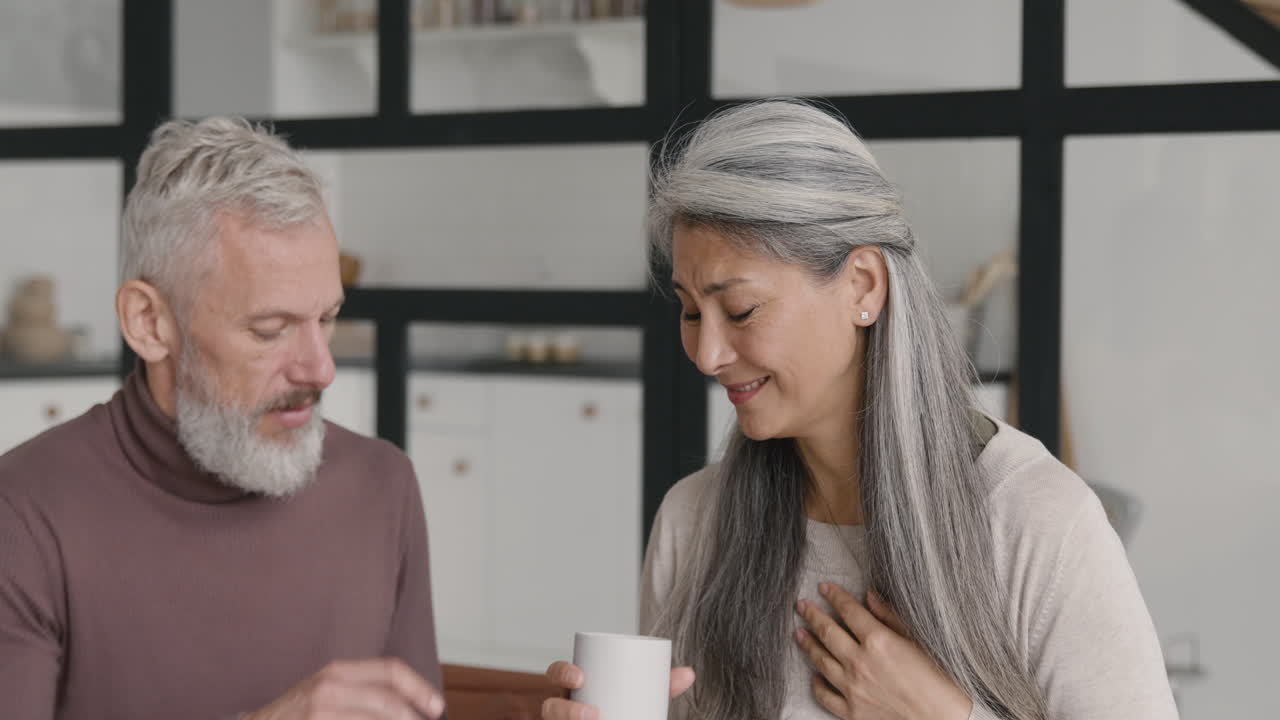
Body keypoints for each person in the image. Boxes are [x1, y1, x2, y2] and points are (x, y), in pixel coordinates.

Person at [543, 99, 1178, 720]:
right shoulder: (694, 522)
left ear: (863, 286)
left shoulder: (1035, 523)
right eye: (688, 310)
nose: (706, 353)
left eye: (739, 310)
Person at [0, 118, 446, 720]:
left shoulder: (382, 487)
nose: (320, 369)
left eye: (327, 318)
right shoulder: (22, 515)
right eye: (271, 329)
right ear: (149, 323)